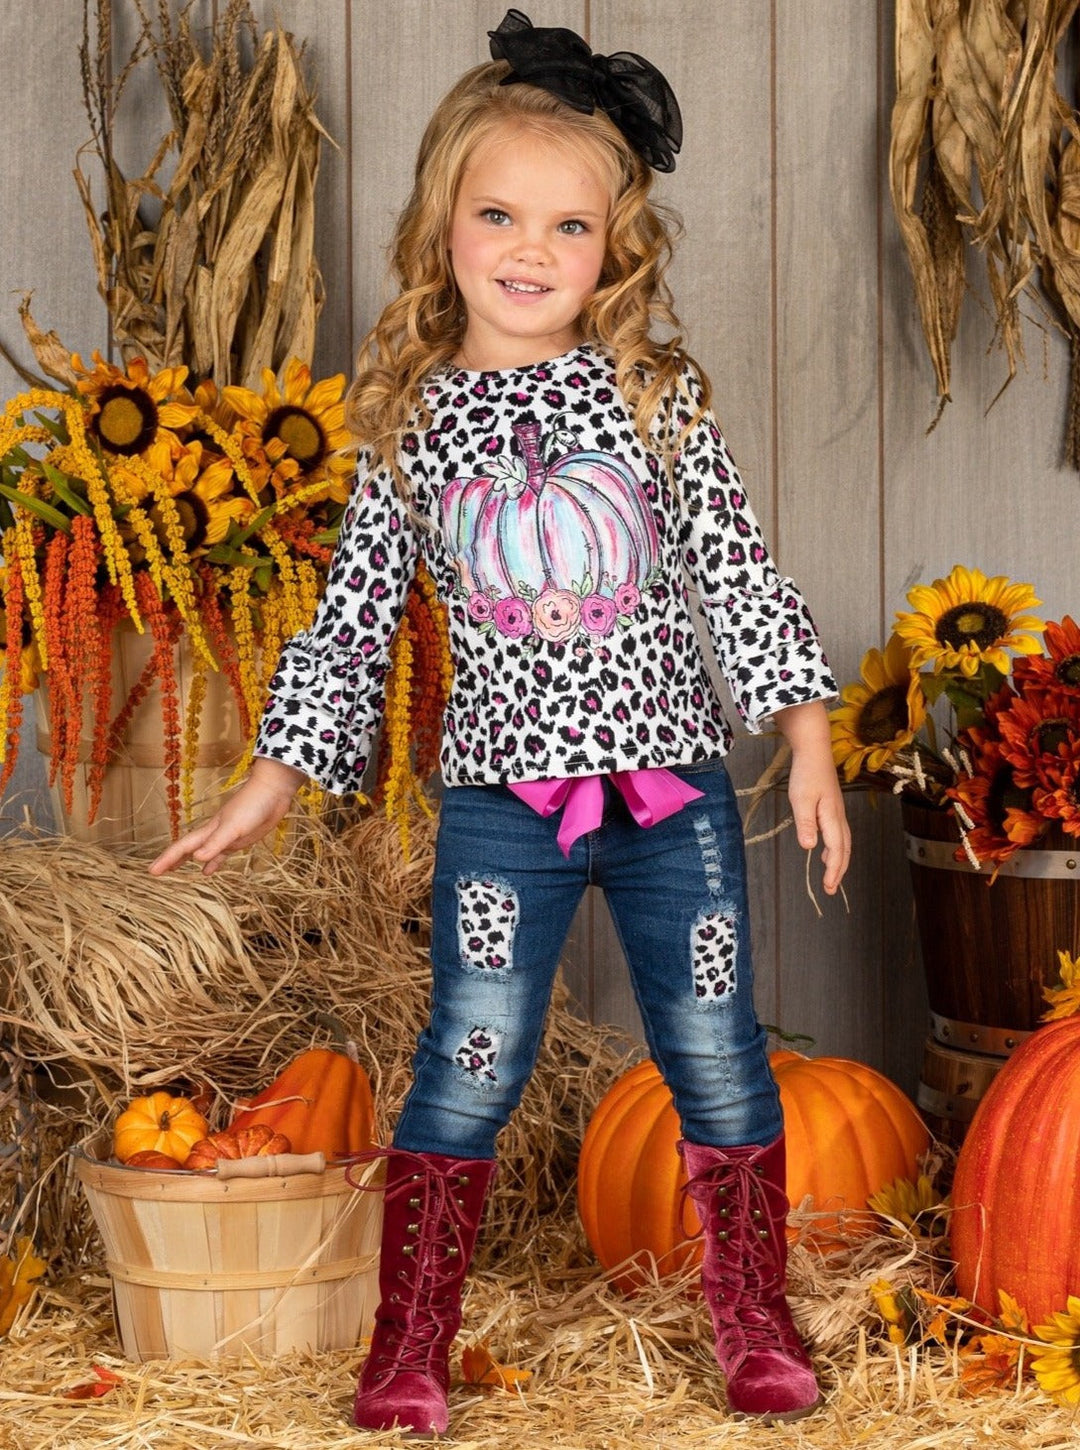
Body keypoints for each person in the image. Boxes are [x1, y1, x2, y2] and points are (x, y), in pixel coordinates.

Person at [151, 8, 850, 1436]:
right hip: (500, 811)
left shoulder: (654, 399)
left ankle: (753, 1319)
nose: (532, 250)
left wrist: (809, 741)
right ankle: (409, 1343)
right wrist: (273, 775)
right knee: (468, 1060)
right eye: (500, 215)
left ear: (615, 247)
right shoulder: (409, 419)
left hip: (669, 798)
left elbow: (736, 570)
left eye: (570, 226)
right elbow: (352, 617)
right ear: (443, 221)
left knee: (716, 1051)